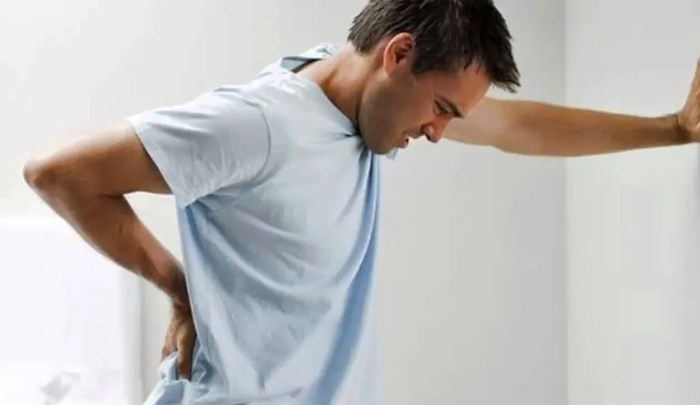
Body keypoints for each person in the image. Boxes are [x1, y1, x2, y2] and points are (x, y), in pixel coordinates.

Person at [23, 0, 699, 403]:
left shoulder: (349, 101)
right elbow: (58, 172)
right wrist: (179, 288)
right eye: (441, 109)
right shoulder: (259, 123)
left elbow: (520, 128)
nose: (437, 133)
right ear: (398, 54)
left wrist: (672, 128)